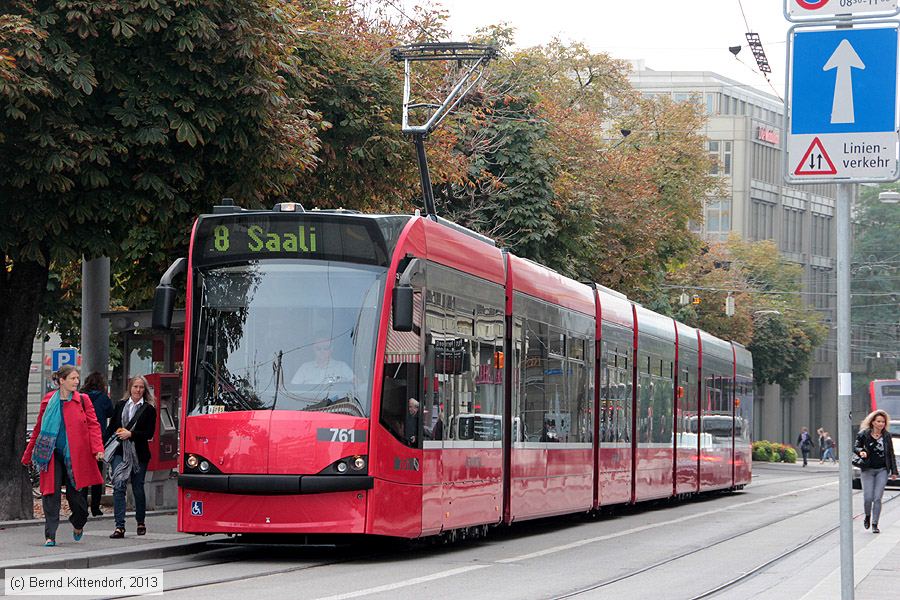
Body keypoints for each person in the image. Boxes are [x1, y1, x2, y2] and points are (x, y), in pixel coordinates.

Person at [21, 365, 105, 547]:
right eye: (73, 378)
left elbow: (93, 425)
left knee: (77, 499)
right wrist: (28, 455)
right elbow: (38, 429)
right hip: (51, 454)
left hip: (75, 456)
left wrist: (98, 448)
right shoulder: (48, 401)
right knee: (50, 494)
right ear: (61, 381)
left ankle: (79, 522)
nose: (77, 382)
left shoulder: (83, 400)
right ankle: (50, 535)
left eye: (77, 378)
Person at [107, 375, 157, 539]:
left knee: (137, 487)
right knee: (119, 485)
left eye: (141, 387)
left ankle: (140, 521)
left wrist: (132, 434)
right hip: (120, 451)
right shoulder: (121, 405)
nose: (138, 390)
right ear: (130, 388)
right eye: (135, 387)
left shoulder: (149, 409)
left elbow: (149, 433)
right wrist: (101, 445)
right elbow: (112, 427)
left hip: (139, 454)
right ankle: (119, 526)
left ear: (145, 390)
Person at [854, 410, 898, 533]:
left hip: (882, 470)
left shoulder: (887, 436)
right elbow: (856, 447)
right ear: (872, 422)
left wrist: (894, 471)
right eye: (878, 421)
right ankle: (867, 516)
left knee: (877, 498)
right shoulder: (864, 434)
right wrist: (861, 451)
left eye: (883, 422)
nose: (881, 424)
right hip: (867, 469)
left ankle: (875, 523)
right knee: (868, 498)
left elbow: (891, 454)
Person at [81, 372, 113, 516]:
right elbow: (110, 413)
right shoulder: (103, 398)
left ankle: (82, 506)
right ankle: (95, 507)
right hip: (98, 440)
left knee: (82, 474)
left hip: (82, 440)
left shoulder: (80, 397)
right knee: (96, 474)